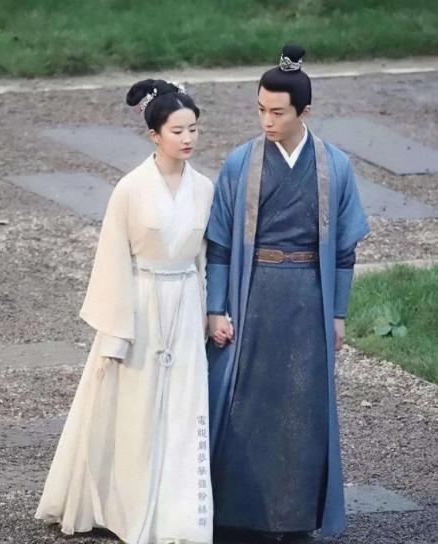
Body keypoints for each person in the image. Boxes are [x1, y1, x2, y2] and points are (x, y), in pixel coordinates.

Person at [35, 79, 214, 544]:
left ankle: (179, 517)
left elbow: (204, 257)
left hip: (184, 303)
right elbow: (112, 259)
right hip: (140, 303)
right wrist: (116, 331)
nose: (188, 138)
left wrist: (210, 312)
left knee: (183, 411)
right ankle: (123, 508)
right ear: (155, 134)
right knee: (133, 412)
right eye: (177, 131)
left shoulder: (204, 188)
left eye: (193, 129)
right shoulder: (130, 188)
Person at [205, 44, 370, 541]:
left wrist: (337, 313)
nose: (266, 121)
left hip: (307, 299)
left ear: (305, 112)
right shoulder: (241, 162)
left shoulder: (335, 166)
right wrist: (216, 308)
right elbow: (219, 243)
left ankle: (296, 518)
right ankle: (238, 516)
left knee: (303, 408)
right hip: (252, 294)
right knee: (243, 403)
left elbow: (344, 251)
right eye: (260, 109)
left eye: (277, 112)